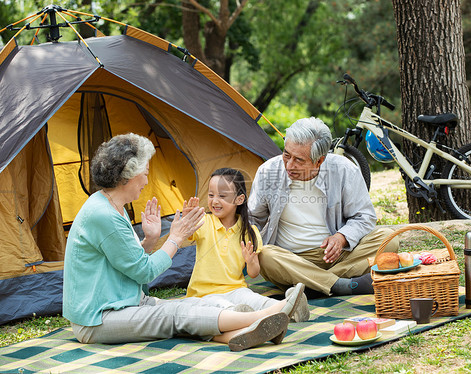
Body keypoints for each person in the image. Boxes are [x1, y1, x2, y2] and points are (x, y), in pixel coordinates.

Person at [62, 133, 302, 352]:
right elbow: (144, 272)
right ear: (130, 175)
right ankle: (269, 313)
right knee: (175, 315)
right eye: (146, 172)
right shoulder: (104, 216)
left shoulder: (112, 206)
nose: (147, 179)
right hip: (98, 318)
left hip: (124, 301)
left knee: (189, 309)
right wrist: (174, 238)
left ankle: (241, 334)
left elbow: (128, 263)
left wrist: (151, 240)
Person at [248, 117, 400, 296]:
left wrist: (341, 237)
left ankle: (311, 285)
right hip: (291, 260)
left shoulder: (344, 170)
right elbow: (253, 218)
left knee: (389, 238)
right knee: (265, 255)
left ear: (319, 161)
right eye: (286, 154)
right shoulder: (268, 172)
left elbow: (364, 216)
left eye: (299, 160)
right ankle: (340, 284)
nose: (289, 165)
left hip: (339, 256)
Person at [183, 168, 309, 322]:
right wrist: (187, 220)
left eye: (222, 196)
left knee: (257, 300)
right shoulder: (204, 222)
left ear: (239, 199)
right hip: (204, 294)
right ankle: (243, 316)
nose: (215, 201)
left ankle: (292, 308)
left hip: (236, 289)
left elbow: (254, 273)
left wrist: (250, 261)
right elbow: (186, 233)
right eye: (211, 195)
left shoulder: (249, 232)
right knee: (221, 306)